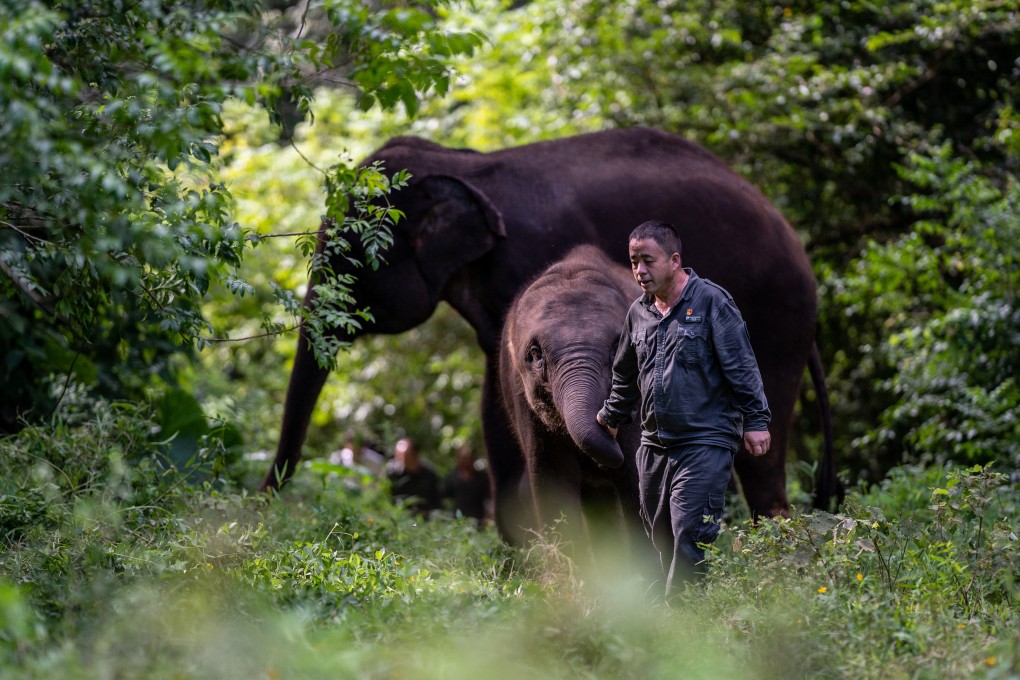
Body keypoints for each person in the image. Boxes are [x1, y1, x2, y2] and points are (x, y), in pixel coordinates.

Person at [596, 220, 771, 596]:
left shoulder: (711, 302)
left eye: (648, 260)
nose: (640, 271)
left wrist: (756, 420)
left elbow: (741, 365)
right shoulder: (638, 313)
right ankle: (667, 620)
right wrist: (610, 416)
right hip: (654, 447)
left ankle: (684, 623)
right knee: (660, 539)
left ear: (674, 260)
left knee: (691, 533)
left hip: (704, 441)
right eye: (633, 262)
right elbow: (625, 373)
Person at [385, 437, 441, 519]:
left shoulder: (429, 474)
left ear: (416, 456)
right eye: (398, 457)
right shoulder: (392, 473)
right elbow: (384, 498)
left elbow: (437, 501)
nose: (400, 461)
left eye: (405, 457)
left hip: (424, 519)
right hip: (398, 518)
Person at [441, 445, 492, 527]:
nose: (465, 461)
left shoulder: (482, 478)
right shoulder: (452, 478)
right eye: (463, 458)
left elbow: (489, 500)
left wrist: (488, 517)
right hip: (458, 522)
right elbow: (443, 498)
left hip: (479, 522)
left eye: (467, 457)